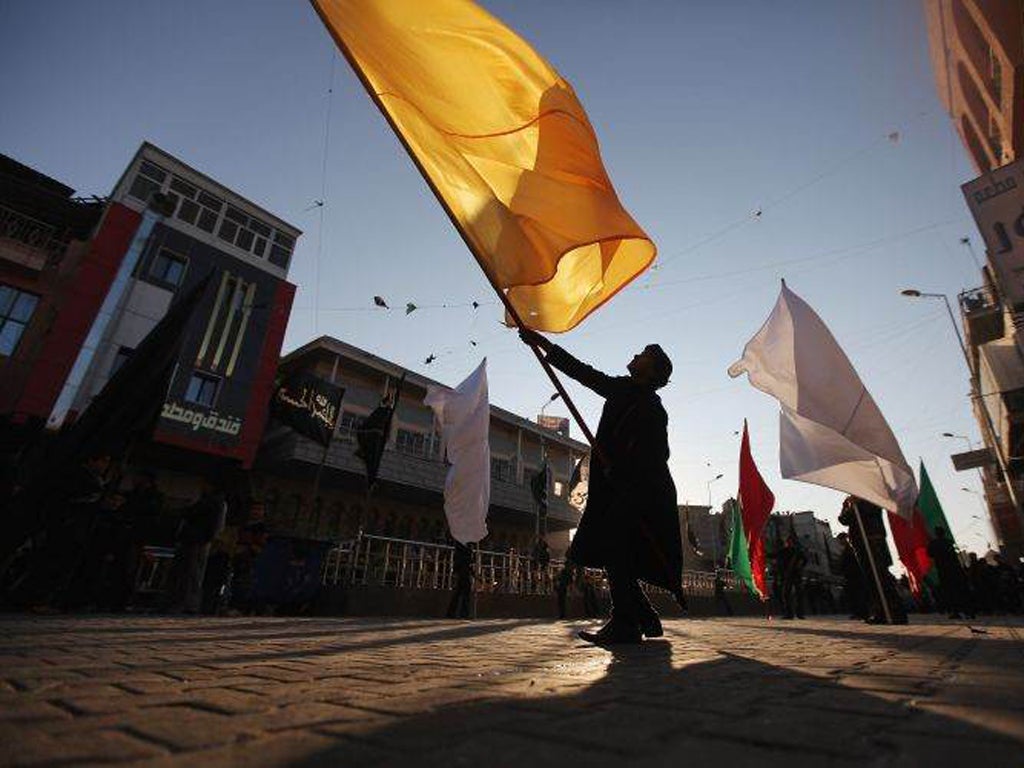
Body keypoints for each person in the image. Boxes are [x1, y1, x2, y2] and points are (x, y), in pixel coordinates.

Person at [519, 329, 683, 645]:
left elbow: (657, 455)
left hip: (641, 492)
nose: (636, 355)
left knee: (615, 548)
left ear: (651, 370)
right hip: (618, 488)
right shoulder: (622, 389)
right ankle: (644, 617)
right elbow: (584, 374)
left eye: (643, 354)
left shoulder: (651, 407)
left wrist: (622, 470)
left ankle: (626, 623)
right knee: (615, 550)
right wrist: (544, 345)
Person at [838, 496, 907, 625]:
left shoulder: (871, 498)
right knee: (871, 578)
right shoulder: (853, 503)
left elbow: (870, 512)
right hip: (860, 544)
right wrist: (845, 506)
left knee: (880, 576)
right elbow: (844, 520)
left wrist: (858, 503)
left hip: (872, 541)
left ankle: (894, 612)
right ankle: (880, 610)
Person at [167, 477, 226, 614]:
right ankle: (186, 602)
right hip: (196, 539)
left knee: (191, 572)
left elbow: (209, 522)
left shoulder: (211, 502)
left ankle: (187, 603)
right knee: (190, 572)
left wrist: (208, 538)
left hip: (197, 540)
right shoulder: (214, 502)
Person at [927, 527, 973, 619]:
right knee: (960, 590)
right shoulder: (949, 542)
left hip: (944, 571)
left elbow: (930, 554)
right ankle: (968, 611)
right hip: (955, 569)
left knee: (950, 592)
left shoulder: (934, 543)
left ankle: (956, 611)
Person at [777, 535, 807, 619]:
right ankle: (789, 614)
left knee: (799, 594)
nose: (789, 543)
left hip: (796, 574)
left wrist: (799, 566)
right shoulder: (783, 551)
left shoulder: (798, 551)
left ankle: (800, 613)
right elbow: (774, 555)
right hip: (787, 574)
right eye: (788, 542)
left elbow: (805, 560)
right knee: (786, 594)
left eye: (790, 542)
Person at [447, 540, 474, 619]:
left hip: (463, 569)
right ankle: (463, 613)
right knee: (464, 592)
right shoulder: (462, 544)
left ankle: (453, 612)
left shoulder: (465, 544)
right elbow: (462, 558)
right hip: (463, 569)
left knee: (459, 592)